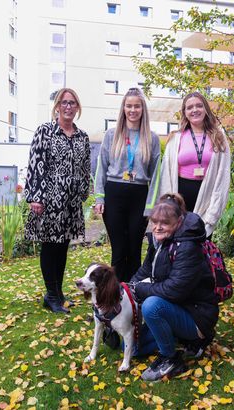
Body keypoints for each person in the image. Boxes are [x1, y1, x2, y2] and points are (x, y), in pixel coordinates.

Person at [128, 193, 219, 381]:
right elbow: (145, 270)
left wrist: (141, 290)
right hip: (178, 308)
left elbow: (174, 289)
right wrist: (127, 289)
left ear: (178, 222)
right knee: (131, 348)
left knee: (151, 305)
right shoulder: (159, 240)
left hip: (197, 315)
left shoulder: (188, 247)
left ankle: (171, 357)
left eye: (164, 223)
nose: (157, 227)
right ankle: (184, 340)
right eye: (155, 222)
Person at [24, 87, 91, 314]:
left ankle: (58, 293)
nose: (68, 106)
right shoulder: (45, 131)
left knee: (62, 247)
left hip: (71, 202)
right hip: (49, 199)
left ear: (78, 107)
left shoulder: (82, 136)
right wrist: (35, 196)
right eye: (64, 102)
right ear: (57, 106)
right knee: (50, 246)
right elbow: (35, 165)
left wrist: (84, 192)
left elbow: (85, 167)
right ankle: (51, 295)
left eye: (72, 103)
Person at [94, 87, 161, 282]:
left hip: (139, 196)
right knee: (119, 249)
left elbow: (156, 175)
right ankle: (114, 294)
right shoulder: (111, 135)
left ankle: (134, 293)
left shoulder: (152, 138)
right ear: (123, 108)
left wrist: (151, 206)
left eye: (137, 106)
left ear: (143, 109)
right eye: (129, 106)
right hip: (114, 193)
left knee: (134, 249)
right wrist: (100, 197)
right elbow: (101, 167)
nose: (133, 110)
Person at [160, 92, 231, 237]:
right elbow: (165, 173)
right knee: (176, 241)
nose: (195, 110)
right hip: (179, 196)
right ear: (184, 112)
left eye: (199, 106)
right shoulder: (176, 137)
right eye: (189, 107)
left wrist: (214, 209)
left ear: (206, 109)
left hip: (206, 196)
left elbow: (223, 174)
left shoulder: (218, 137)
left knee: (200, 243)